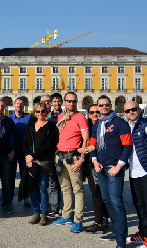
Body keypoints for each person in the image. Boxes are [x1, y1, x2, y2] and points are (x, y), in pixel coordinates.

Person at [89, 95, 132, 248]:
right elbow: (92, 146)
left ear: (111, 105)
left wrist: (119, 166)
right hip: (100, 168)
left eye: (107, 105)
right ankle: (116, 230)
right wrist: (94, 161)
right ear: (98, 107)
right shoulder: (96, 125)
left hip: (114, 168)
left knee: (116, 202)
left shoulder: (120, 123)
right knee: (107, 201)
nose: (104, 107)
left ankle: (121, 239)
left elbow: (127, 146)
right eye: (101, 105)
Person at [53, 92, 89, 233]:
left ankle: (78, 220)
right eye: (68, 101)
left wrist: (82, 160)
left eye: (74, 101)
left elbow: (86, 140)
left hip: (73, 157)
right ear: (64, 102)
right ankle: (66, 216)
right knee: (65, 188)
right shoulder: (61, 116)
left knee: (78, 190)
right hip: (60, 157)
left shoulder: (80, 117)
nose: (71, 103)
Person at [23, 102, 57, 226]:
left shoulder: (51, 125)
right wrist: (27, 157)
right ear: (34, 112)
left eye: (43, 111)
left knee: (43, 188)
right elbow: (25, 142)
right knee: (32, 187)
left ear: (46, 112)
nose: (41, 113)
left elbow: (49, 145)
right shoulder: (31, 124)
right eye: (38, 111)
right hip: (31, 162)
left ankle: (44, 214)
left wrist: (33, 156)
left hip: (44, 162)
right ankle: (36, 213)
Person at [81, 104, 109, 234]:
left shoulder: (105, 125)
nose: (94, 114)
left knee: (101, 193)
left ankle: (101, 221)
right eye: (91, 112)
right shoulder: (86, 126)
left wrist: (93, 148)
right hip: (89, 163)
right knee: (96, 192)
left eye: (97, 111)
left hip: (102, 162)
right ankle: (101, 219)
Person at [123, 101, 147, 246]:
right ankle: (143, 233)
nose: (130, 112)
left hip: (145, 170)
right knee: (139, 204)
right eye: (127, 111)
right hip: (133, 172)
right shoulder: (127, 126)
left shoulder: (144, 124)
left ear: (139, 109)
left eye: (133, 109)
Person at [0, 99, 19, 214]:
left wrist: (13, 151)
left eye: (2, 106)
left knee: (6, 181)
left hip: (5, 155)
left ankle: (7, 204)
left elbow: (17, 137)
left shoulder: (9, 120)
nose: (0, 108)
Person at [8, 97, 32, 207]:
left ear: (24, 106)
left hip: (24, 152)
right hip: (12, 151)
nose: (19, 106)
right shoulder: (9, 118)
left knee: (25, 175)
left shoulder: (29, 117)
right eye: (17, 104)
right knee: (11, 175)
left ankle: (26, 197)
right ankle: (10, 198)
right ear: (14, 105)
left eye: (21, 104)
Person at [47, 93, 63, 217]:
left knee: (64, 182)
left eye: (59, 101)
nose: (57, 103)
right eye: (55, 101)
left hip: (64, 152)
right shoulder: (48, 118)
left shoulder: (67, 116)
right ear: (51, 103)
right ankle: (54, 207)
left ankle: (65, 206)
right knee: (52, 181)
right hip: (52, 152)